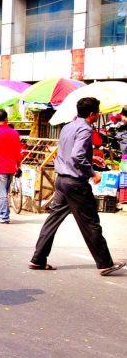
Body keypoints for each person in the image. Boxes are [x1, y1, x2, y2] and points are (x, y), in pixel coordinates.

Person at [30, 97, 125, 276]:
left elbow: (71, 153)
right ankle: (105, 263)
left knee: (53, 220)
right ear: (92, 114)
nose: (98, 115)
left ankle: (37, 259)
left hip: (62, 180)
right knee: (90, 223)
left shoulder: (68, 126)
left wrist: (91, 159)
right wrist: (93, 172)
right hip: (75, 184)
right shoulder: (85, 129)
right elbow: (77, 155)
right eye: (97, 112)